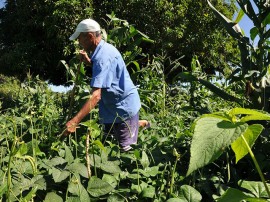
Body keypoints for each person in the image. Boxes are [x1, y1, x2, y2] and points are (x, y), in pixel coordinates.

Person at [65, 18, 148, 151]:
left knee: (125, 151)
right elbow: (105, 70)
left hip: (124, 108)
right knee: (109, 146)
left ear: (90, 36)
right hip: (111, 109)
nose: (79, 42)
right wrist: (89, 63)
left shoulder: (103, 56)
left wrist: (75, 121)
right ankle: (137, 124)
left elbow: (96, 96)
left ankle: (135, 125)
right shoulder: (101, 51)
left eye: (80, 38)